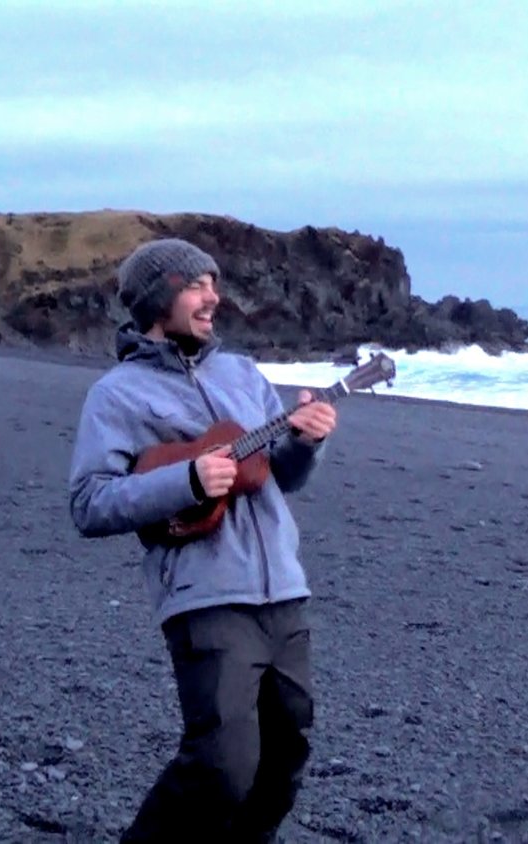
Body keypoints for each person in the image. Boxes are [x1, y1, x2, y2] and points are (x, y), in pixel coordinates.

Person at [67, 238, 338, 842]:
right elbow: (89, 503)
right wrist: (185, 480)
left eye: (213, 284)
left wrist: (305, 442)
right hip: (206, 599)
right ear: (158, 298)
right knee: (220, 766)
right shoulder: (117, 395)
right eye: (196, 285)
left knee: (284, 759)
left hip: (283, 592)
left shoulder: (241, 374)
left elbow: (281, 477)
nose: (213, 297)